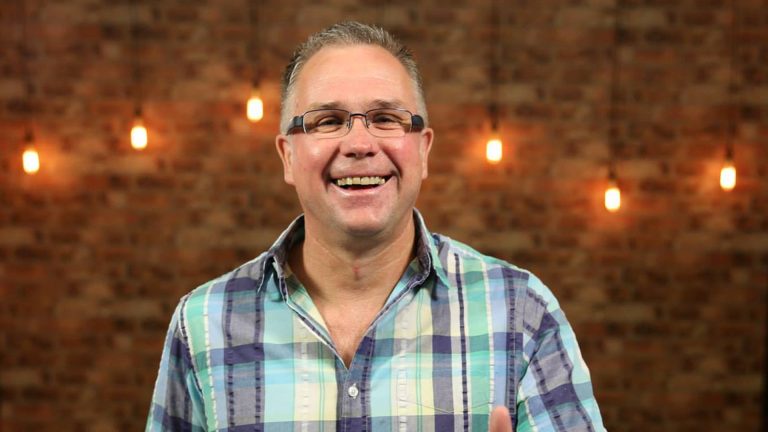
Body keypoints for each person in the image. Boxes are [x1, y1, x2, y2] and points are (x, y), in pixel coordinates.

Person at [146, 21, 605, 432]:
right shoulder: (204, 322)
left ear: (423, 150)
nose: (360, 144)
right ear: (288, 156)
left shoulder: (522, 313)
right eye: (328, 121)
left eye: (386, 119)